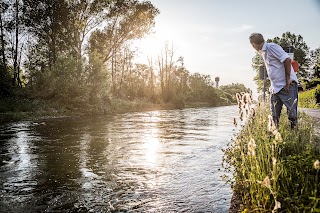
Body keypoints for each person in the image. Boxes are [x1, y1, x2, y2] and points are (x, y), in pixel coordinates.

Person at [249, 33, 299, 129]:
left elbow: (287, 60)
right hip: (275, 88)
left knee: (292, 115)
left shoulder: (271, 47)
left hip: (286, 86)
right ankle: (275, 137)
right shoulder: (263, 52)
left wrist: (288, 79)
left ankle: (295, 137)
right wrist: (272, 86)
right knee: (274, 116)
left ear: (253, 44)